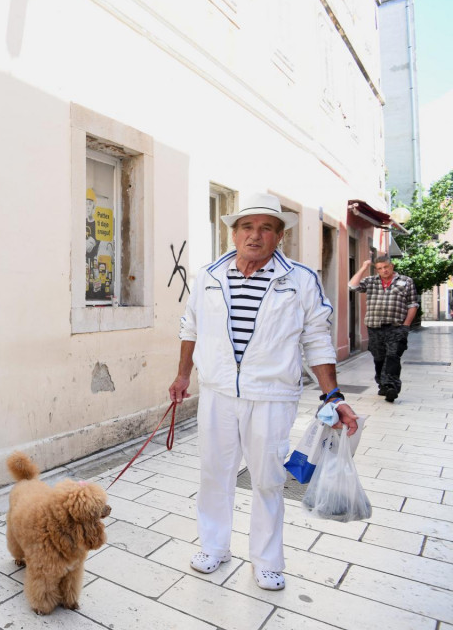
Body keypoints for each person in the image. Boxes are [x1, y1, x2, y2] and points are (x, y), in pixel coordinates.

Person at [169, 192, 358, 591]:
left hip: (273, 395)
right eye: (248, 227)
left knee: (268, 479)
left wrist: (333, 396)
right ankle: (214, 546)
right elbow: (190, 329)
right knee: (214, 473)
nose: (255, 235)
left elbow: (318, 341)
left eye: (266, 228)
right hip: (218, 392)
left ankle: (267, 560)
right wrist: (183, 376)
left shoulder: (300, 281)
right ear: (234, 233)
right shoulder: (208, 276)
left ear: (279, 237)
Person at [349, 255, 418, 402]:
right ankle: (382, 384)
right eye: (380, 268)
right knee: (379, 358)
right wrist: (363, 268)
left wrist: (406, 325)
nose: (384, 270)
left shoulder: (406, 281)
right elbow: (352, 286)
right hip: (374, 327)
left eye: (386, 267)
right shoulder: (370, 281)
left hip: (396, 327)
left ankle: (391, 386)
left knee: (393, 356)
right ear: (377, 270)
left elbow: (412, 304)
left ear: (391, 266)